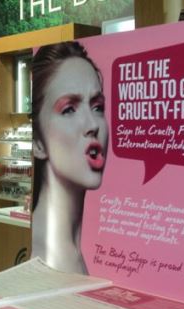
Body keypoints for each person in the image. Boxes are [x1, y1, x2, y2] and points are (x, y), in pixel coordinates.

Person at [30, 41, 108, 273]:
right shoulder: (40, 255)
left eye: (97, 107)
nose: (92, 125)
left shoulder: (87, 249)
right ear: (37, 142)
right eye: (69, 109)